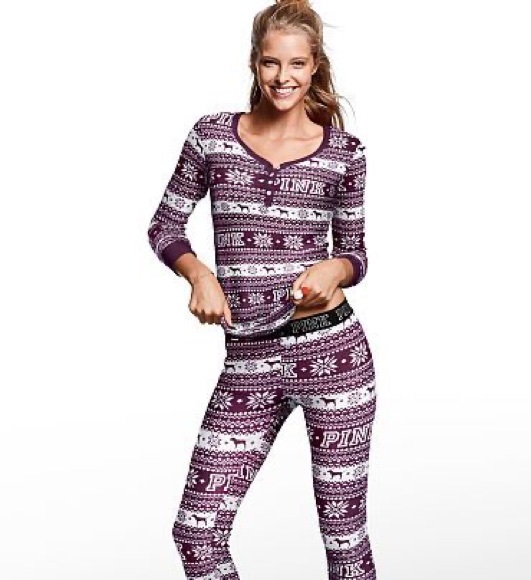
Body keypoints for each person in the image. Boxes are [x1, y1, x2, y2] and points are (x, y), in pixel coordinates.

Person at [147, 1, 378, 578]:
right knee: (197, 533)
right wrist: (199, 275)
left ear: (315, 65)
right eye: (272, 62)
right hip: (248, 359)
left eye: (297, 64)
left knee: (344, 541)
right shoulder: (211, 137)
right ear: (254, 62)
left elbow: (356, 254)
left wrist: (334, 270)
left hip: (334, 355)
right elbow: (165, 225)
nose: (283, 77)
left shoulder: (344, 153)